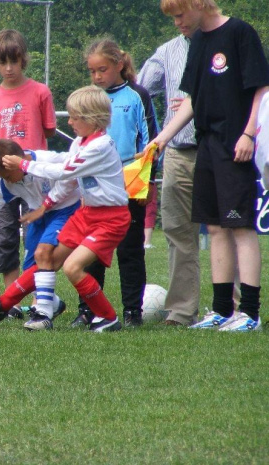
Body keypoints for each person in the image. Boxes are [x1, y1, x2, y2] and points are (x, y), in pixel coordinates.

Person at [148, 0, 269, 332]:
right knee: (214, 228)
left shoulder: (239, 33)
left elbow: (261, 87)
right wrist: (163, 138)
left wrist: (248, 133)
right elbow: (192, 98)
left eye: (180, 14)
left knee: (240, 227)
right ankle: (220, 311)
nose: (177, 22)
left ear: (198, 4)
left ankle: (250, 314)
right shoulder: (199, 40)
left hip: (237, 145)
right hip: (208, 144)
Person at [2, 85, 131, 332]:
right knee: (48, 258)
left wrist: (25, 165)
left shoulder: (100, 146)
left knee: (73, 267)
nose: (69, 121)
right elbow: (69, 181)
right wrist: (47, 205)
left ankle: (109, 318)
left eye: (74, 117)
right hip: (87, 214)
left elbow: (63, 171)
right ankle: (19, 307)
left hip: (111, 219)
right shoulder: (82, 142)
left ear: (92, 119)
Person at [72, 38, 159, 328]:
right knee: (92, 252)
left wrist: (146, 183)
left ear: (119, 65)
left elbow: (151, 142)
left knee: (129, 251)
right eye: (92, 71)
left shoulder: (137, 95)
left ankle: (133, 312)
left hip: (130, 186)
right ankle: (89, 311)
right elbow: (81, 143)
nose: (97, 77)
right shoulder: (91, 97)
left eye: (102, 70)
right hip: (96, 188)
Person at [0, 139, 80, 330]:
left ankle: (43, 314)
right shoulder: (7, 181)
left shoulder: (47, 159)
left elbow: (72, 168)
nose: (8, 181)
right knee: (30, 270)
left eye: (8, 176)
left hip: (64, 211)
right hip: (37, 216)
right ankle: (54, 303)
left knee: (44, 254)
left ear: (18, 161)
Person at [0, 29, 57, 301]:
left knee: (34, 238)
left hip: (35, 180)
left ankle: (38, 298)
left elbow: (48, 133)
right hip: (3, 181)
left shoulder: (40, 92)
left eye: (14, 61)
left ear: (23, 59)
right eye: (3, 62)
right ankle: (11, 299)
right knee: (4, 238)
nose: (9, 68)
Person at [137, 1, 202, 326]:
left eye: (180, 15)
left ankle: (231, 308)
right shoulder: (167, 51)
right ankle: (181, 312)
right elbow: (140, 88)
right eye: (173, 17)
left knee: (228, 229)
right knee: (178, 231)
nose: (177, 22)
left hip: (218, 150)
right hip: (177, 152)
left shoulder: (226, 43)